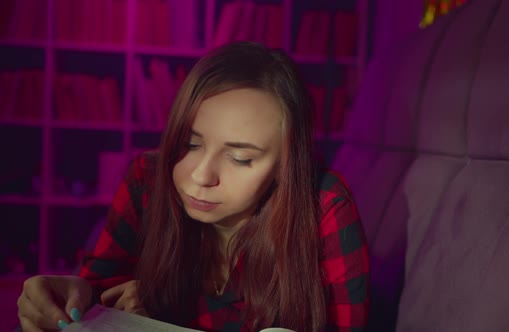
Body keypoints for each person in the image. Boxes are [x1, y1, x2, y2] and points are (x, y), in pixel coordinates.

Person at [17, 42, 369, 332]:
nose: (201, 175)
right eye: (189, 144)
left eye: (241, 158)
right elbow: (98, 291)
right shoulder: (148, 180)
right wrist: (77, 296)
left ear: (285, 165)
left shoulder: (323, 205)